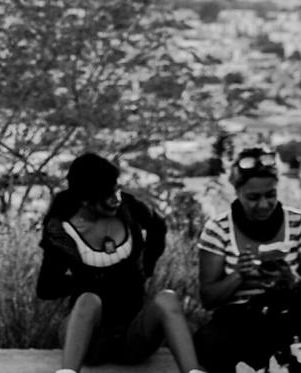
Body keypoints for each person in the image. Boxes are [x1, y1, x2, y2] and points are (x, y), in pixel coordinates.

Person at [35, 152, 204, 373]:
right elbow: (46, 288)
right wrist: (90, 282)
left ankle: (193, 371)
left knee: (167, 299)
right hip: (88, 339)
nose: (116, 198)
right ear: (85, 199)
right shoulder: (62, 230)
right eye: (108, 194)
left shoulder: (129, 208)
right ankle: (68, 371)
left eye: (116, 189)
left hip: (133, 334)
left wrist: (147, 266)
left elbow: (158, 227)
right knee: (88, 299)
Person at [194, 147, 301, 372]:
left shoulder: (300, 224)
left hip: (288, 316)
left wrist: (292, 280)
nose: (263, 205)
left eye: (270, 195)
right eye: (253, 198)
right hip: (238, 321)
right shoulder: (217, 230)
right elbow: (208, 298)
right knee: (210, 345)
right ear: (237, 191)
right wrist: (237, 276)